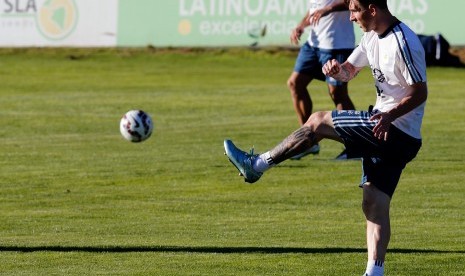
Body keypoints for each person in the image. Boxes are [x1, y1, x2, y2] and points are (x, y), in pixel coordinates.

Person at [224, 0, 428, 275]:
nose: (351, 17)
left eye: (354, 10)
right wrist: (336, 70)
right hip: (392, 131)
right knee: (374, 201)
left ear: (372, 9)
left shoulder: (403, 41)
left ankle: (257, 164)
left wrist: (390, 116)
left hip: (393, 129)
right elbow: (349, 71)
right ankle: (374, 272)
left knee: (319, 121)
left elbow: (419, 92)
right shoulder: (370, 37)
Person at [288, 0, 356, 159]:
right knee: (295, 84)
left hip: (337, 44)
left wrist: (328, 9)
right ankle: (307, 142)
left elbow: (352, 2)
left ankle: (355, 146)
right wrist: (301, 25)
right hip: (314, 44)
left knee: (338, 94)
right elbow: (314, 9)